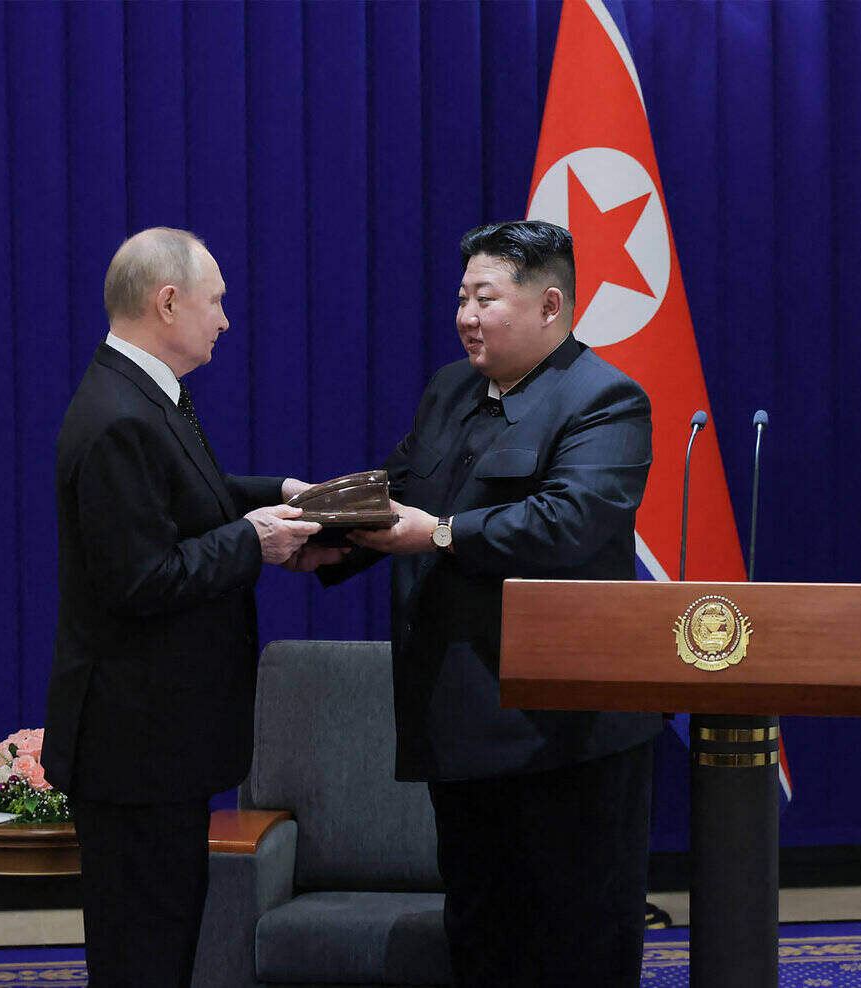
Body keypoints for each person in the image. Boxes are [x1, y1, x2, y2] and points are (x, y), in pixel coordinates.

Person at [324, 220, 661, 986]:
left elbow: (566, 524)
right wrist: (322, 534)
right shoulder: (450, 390)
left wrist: (439, 533)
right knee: (479, 928)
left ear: (550, 306)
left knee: (571, 936)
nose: (465, 316)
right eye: (461, 297)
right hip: (461, 721)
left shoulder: (605, 400)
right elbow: (396, 492)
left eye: (485, 298)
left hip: (564, 735)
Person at [42, 227, 332, 987]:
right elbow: (139, 579)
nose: (226, 321)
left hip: (161, 743)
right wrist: (255, 542)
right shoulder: (118, 417)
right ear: (167, 303)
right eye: (217, 302)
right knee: (144, 951)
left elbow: (192, 499)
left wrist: (279, 496)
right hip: (136, 746)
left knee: (166, 940)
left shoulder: (145, 395)